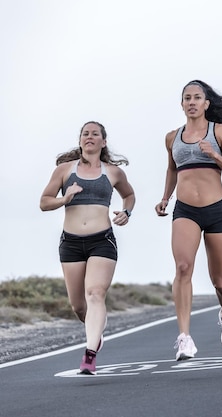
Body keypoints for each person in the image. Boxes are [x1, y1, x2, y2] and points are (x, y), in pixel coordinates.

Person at [155, 80, 222, 361]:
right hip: (185, 210)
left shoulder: (219, 131)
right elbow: (171, 169)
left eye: (197, 97)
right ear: (181, 104)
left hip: (216, 210)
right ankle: (184, 338)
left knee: (220, 281)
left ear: (206, 103)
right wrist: (166, 197)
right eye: (187, 98)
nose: (191, 102)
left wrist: (214, 154)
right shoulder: (172, 137)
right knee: (182, 267)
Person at [40, 121, 136, 374]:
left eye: (95, 134)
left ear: (103, 142)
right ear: (80, 140)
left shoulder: (113, 172)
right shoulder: (64, 170)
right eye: (86, 133)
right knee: (79, 306)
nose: (90, 137)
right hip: (70, 243)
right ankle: (95, 331)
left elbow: (129, 195)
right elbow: (44, 202)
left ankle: (90, 353)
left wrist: (126, 212)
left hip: (101, 240)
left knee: (95, 293)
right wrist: (65, 198)